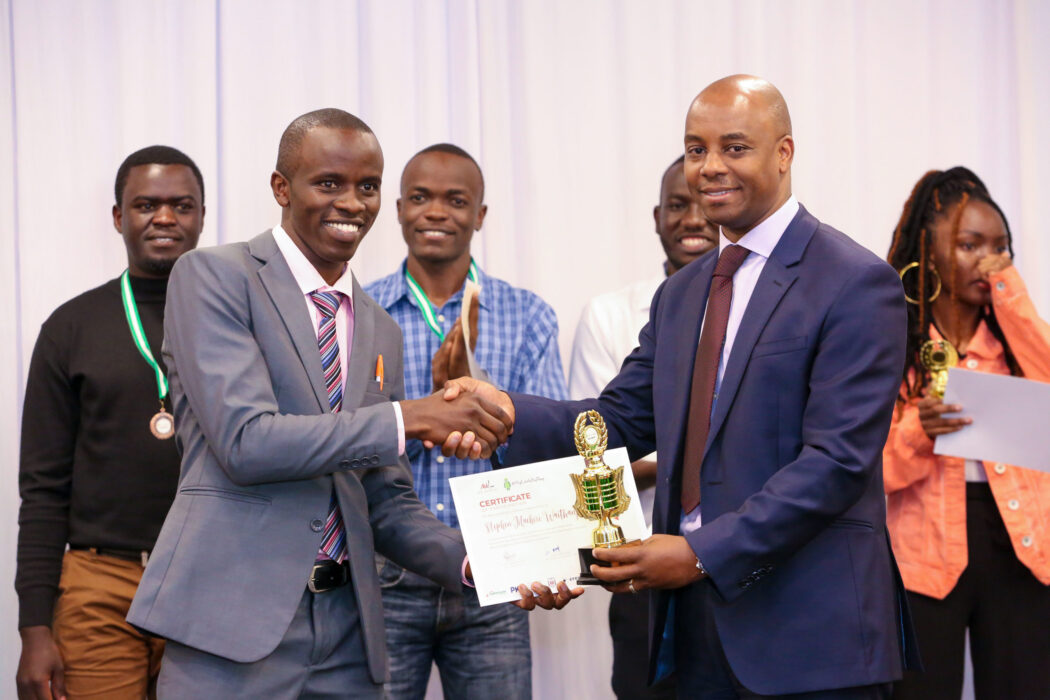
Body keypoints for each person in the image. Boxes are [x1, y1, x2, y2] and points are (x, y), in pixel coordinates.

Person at [443, 75, 920, 698]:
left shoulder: (856, 281)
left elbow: (835, 464)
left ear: (785, 152)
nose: (710, 167)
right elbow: (615, 421)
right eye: (696, 150)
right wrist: (505, 411)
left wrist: (698, 554)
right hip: (688, 632)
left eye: (734, 147)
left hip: (812, 639)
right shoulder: (682, 293)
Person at [125, 109, 575, 699]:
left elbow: (384, 499)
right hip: (232, 629)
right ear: (281, 188)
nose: (352, 203)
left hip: (349, 636)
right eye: (329, 183)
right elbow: (246, 442)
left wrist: (483, 562)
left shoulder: (378, 327)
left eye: (367, 187)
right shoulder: (214, 276)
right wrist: (411, 418)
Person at [365, 143, 568, 699]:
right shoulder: (361, 310)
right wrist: (427, 413)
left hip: (494, 574)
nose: (436, 212)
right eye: (421, 198)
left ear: (480, 215)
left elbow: (548, 451)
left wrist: (483, 418)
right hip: (387, 573)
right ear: (399, 208)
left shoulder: (525, 314)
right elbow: (346, 441)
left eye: (456, 200)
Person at [14, 146, 205, 700]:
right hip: (100, 585)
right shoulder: (70, 328)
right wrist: (34, 629)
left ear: (201, 216)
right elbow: (43, 489)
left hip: (208, 574)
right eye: (146, 205)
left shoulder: (234, 321)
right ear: (119, 217)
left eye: (182, 205)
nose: (164, 218)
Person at [883, 167, 1050, 700]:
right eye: (970, 245)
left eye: (1001, 248)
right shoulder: (894, 346)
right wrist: (919, 431)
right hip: (922, 557)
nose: (989, 261)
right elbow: (868, 470)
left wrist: (1009, 291)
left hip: (1021, 549)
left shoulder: (1014, 345)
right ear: (929, 251)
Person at [568, 154, 716, 700]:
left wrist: (655, 462)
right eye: (678, 205)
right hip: (635, 562)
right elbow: (596, 454)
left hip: (736, 561)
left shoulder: (764, 314)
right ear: (657, 217)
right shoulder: (610, 314)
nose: (693, 219)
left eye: (704, 204)